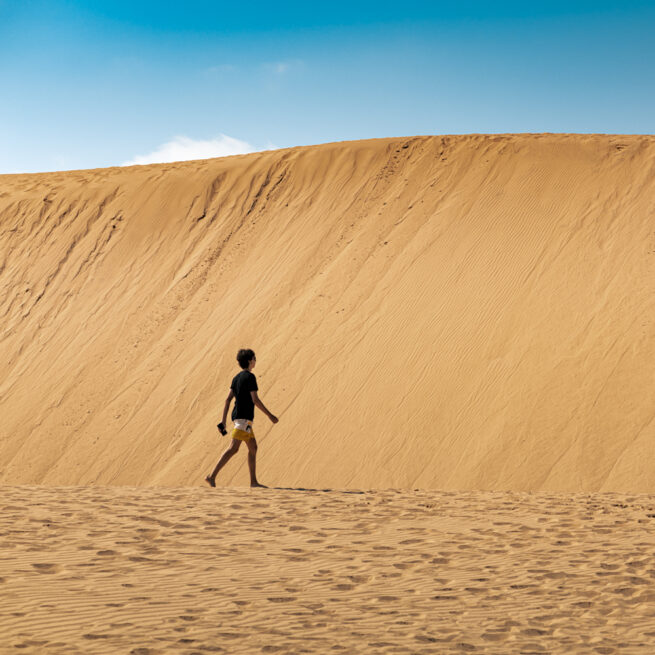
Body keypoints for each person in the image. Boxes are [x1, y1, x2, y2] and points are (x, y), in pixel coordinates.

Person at [205, 348, 278, 488]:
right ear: (250, 361)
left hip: (240, 419)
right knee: (233, 448)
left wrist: (223, 421)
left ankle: (253, 481)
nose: (255, 361)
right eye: (254, 358)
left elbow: (227, 400)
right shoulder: (250, 377)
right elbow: (255, 400)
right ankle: (211, 476)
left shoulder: (236, 378)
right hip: (244, 419)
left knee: (253, 447)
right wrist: (270, 415)